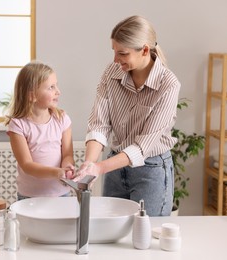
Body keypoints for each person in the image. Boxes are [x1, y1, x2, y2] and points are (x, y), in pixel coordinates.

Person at [75, 15, 181, 216]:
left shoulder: (168, 85)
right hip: (114, 168)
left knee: (145, 238)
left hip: (151, 171)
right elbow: (99, 125)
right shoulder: (111, 73)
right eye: (114, 52)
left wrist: (99, 168)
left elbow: (143, 147)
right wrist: (90, 164)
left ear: (145, 50)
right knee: (111, 236)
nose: (116, 59)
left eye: (122, 53)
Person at [5, 61, 75, 200]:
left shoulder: (62, 119)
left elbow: (67, 154)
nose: (58, 91)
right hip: (30, 197)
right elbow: (27, 165)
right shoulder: (18, 125)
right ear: (32, 95)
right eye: (51, 87)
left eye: (56, 85)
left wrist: (67, 168)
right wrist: (56, 172)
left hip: (61, 194)